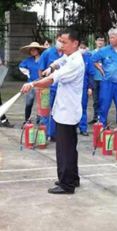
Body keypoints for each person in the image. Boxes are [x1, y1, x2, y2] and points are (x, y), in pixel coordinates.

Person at [21, 29, 85, 194]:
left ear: (75, 43)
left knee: (64, 150)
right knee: (70, 147)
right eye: (60, 42)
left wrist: (32, 85)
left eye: (64, 42)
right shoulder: (71, 56)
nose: (61, 45)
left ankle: (66, 185)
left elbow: (50, 80)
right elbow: (60, 61)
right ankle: (73, 178)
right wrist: (51, 66)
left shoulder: (75, 63)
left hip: (67, 111)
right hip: (67, 110)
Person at [39, 35, 65, 141]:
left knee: (57, 111)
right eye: (59, 40)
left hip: (61, 88)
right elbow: (41, 70)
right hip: (48, 87)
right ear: (55, 40)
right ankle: (43, 133)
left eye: (63, 41)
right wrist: (42, 84)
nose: (61, 43)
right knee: (45, 110)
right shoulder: (47, 53)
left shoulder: (66, 54)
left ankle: (54, 134)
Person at [19, 42, 46, 122]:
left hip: (41, 84)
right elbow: (21, 66)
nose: (33, 51)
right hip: (30, 85)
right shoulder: (28, 60)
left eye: (34, 49)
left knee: (42, 104)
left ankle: (41, 120)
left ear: (38, 50)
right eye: (31, 50)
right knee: (28, 104)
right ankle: (27, 120)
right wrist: (28, 74)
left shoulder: (43, 59)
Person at [77, 41, 95, 136]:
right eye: (81, 47)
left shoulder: (88, 59)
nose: (82, 49)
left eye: (84, 47)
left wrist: (90, 87)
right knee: (72, 107)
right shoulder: (73, 58)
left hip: (84, 87)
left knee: (83, 107)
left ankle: (83, 128)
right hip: (73, 88)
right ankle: (72, 127)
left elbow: (91, 74)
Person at [89, 36, 106, 123]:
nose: (100, 42)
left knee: (104, 99)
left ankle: (103, 118)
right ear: (95, 41)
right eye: (99, 40)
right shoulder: (91, 53)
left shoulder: (106, 52)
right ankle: (96, 116)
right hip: (95, 78)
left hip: (104, 79)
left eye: (102, 40)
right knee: (95, 99)